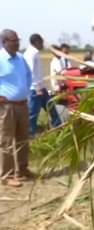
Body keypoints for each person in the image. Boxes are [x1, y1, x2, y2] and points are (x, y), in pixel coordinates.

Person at [0, 29, 33, 187]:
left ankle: (23, 169)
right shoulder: (0, 59)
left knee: (22, 139)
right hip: (7, 107)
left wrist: (25, 90)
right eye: (14, 40)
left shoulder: (20, 58)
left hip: (22, 104)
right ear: (4, 42)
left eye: (18, 40)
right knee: (7, 141)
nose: (17, 43)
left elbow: (28, 74)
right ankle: (7, 175)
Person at [24, 34, 61, 137]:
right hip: (36, 89)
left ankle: (58, 128)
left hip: (41, 87)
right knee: (33, 113)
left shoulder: (32, 52)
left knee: (51, 108)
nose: (42, 45)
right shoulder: (32, 53)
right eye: (41, 42)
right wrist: (37, 87)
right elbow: (30, 72)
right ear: (37, 42)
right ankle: (30, 133)